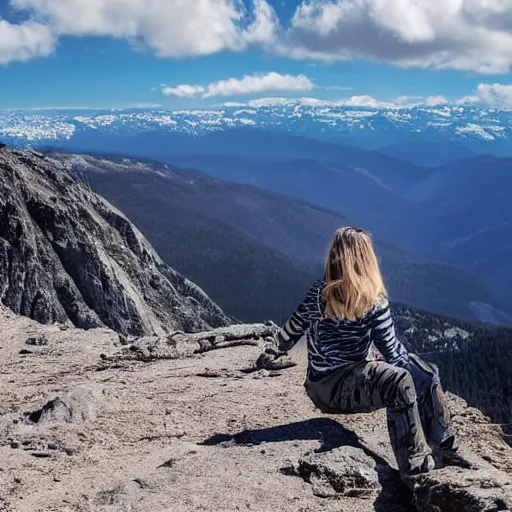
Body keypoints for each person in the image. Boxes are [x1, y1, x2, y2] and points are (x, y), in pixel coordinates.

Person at [260, 227, 459, 487]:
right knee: (409, 377)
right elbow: (394, 355)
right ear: (366, 259)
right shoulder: (374, 302)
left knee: (411, 375)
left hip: (318, 386)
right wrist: (425, 378)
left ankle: (435, 454)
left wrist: (270, 353)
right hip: (345, 389)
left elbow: (290, 332)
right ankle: (422, 466)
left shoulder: (320, 294)